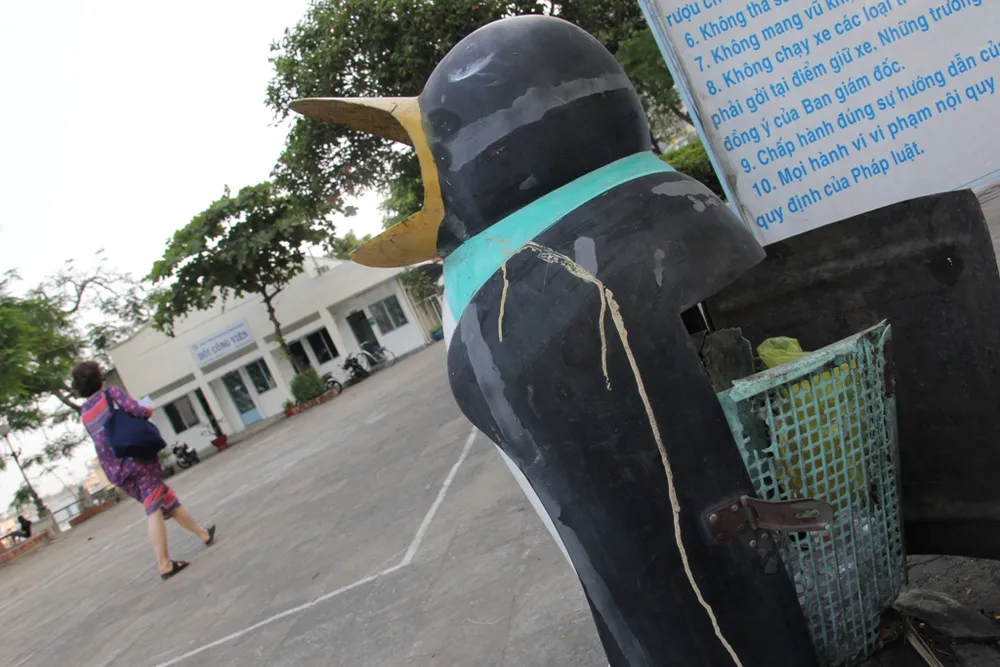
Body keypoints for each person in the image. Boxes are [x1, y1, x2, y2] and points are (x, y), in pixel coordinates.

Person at [72, 361, 216, 580]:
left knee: (166, 499)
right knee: (153, 508)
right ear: (98, 378)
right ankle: (164, 564)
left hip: (115, 468)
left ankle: (202, 534)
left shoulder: (84, 413)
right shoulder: (111, 393)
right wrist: (148, 407)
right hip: (136, 459)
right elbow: (138, 411)